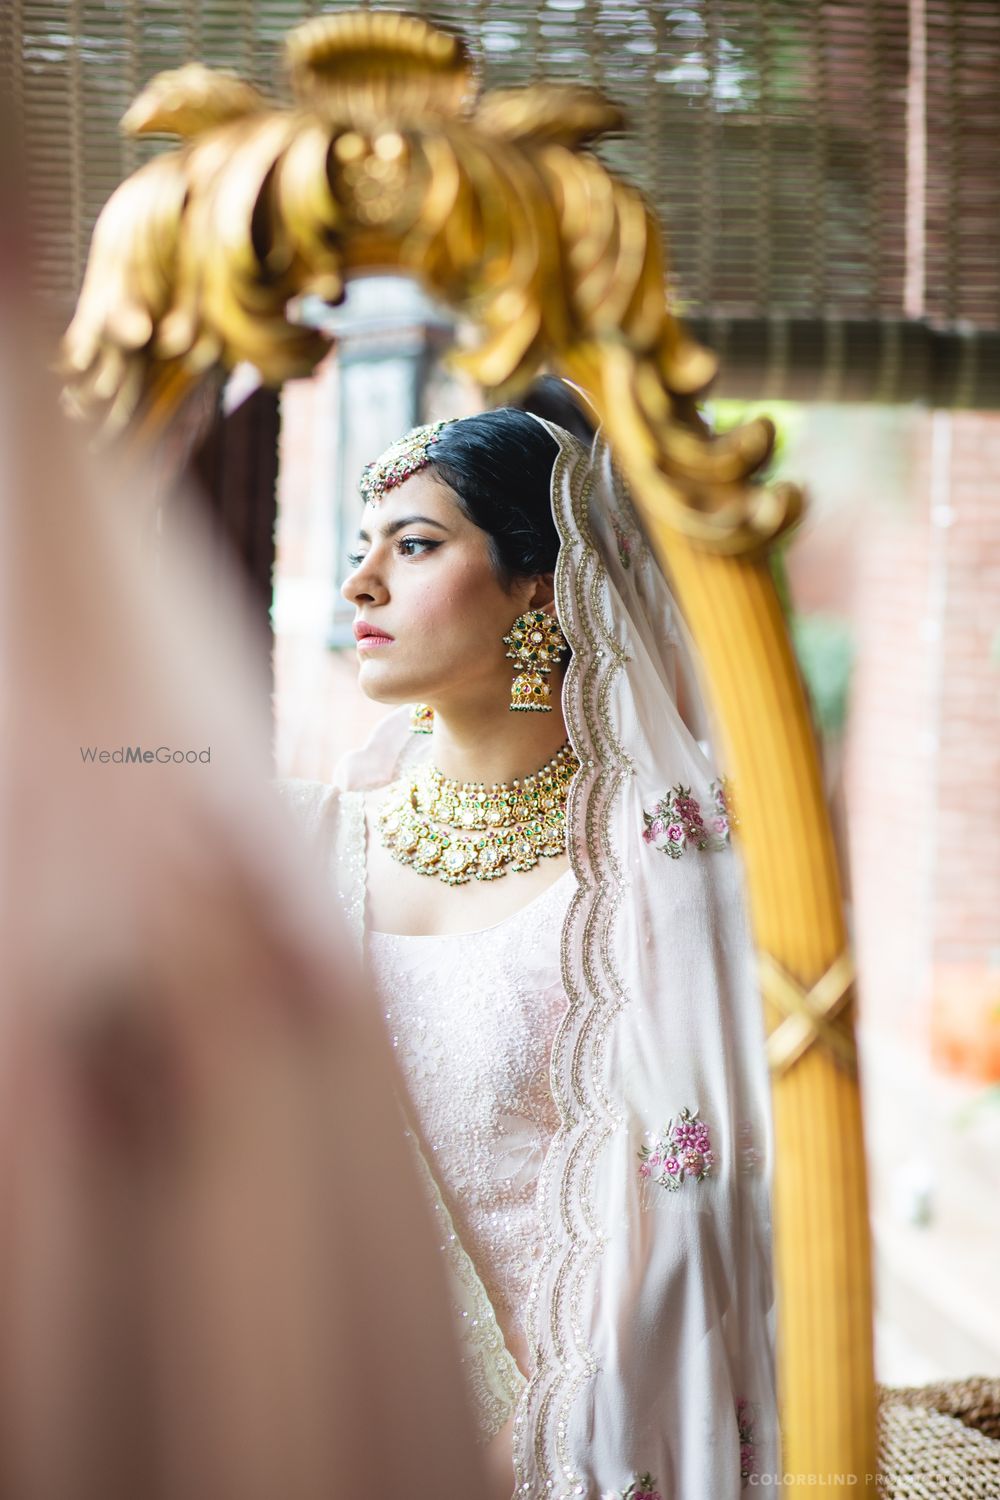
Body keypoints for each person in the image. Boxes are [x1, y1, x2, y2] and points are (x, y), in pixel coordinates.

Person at [277, 402, 780, 1500]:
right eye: (363, 549)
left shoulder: (662, 867)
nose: (360, 583)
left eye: (413, 547)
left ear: (541, 587)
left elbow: (686, 1237)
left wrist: (516, 1463)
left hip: (569, 1456)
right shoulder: (316, 843)